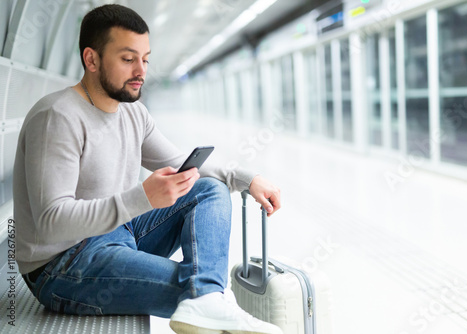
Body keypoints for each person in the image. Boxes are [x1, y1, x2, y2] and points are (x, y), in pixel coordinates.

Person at [13, 4, 282, 334]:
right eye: (128, 59)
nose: (141, 70)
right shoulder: (57, 116)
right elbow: (51, 222)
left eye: (145, 58)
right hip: (62, 264)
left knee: (208, 188)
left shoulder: (132, 114)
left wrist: (247, 178)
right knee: (194, 287)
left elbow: (180, 162)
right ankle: (207, 296)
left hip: (118, 234)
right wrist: (142, 197)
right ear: (91, 59)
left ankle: (206, 297)